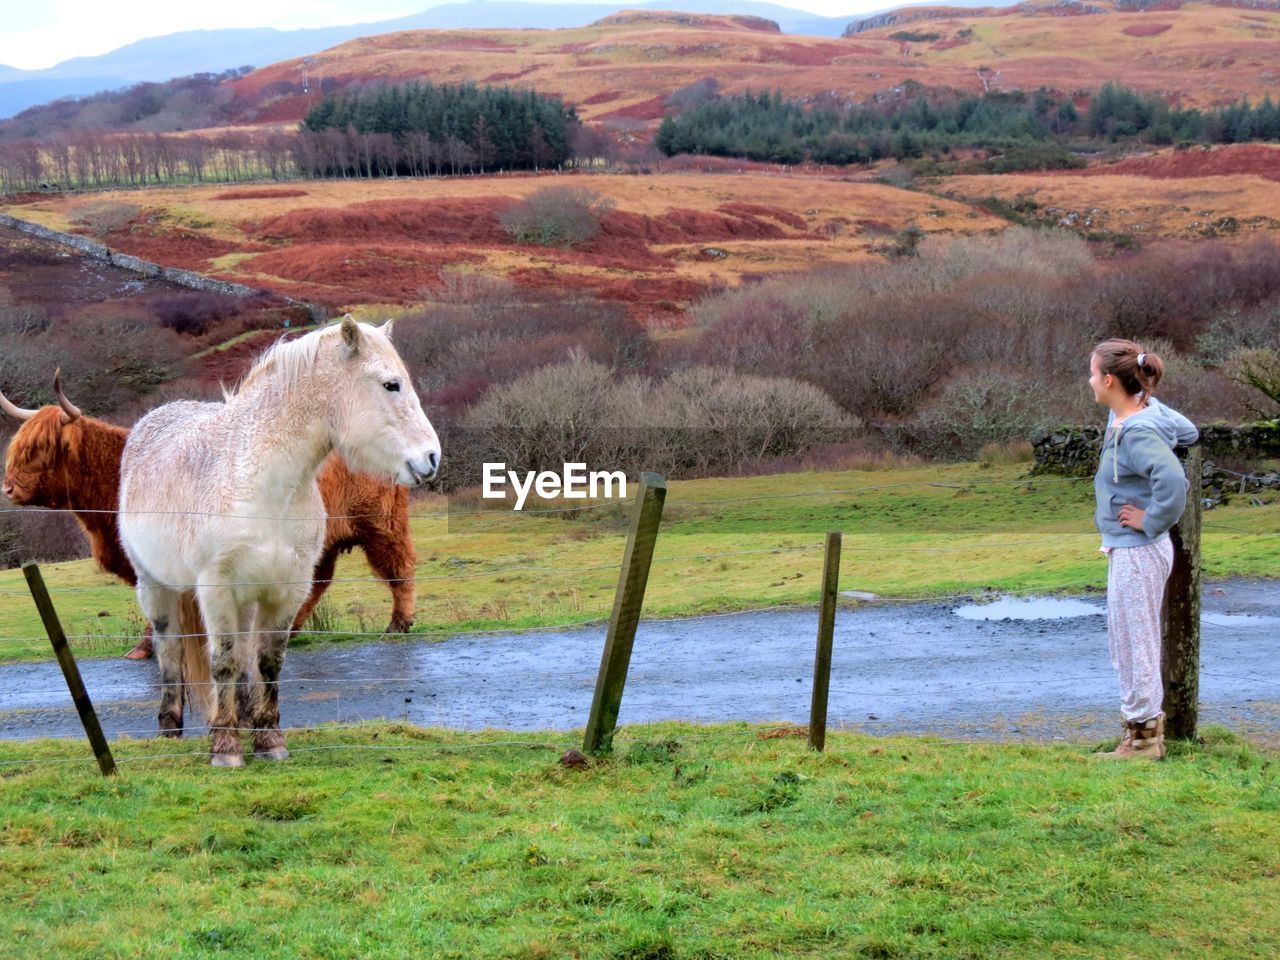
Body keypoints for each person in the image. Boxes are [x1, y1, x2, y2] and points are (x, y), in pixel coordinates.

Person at [1089, 339, 1199, 760]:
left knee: (1136, 643)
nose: (1090, 381)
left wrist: (1150, 519)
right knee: (1127, 639)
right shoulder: (1130, 416)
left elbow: (1171, 484)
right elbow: (1187, 431)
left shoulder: (1136, 431)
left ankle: (1144, 741)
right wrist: (1144, 399)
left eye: (1093, 374)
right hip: (1130, 549)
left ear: (1110, 380)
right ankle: (1139, 733)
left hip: (1139, 549)